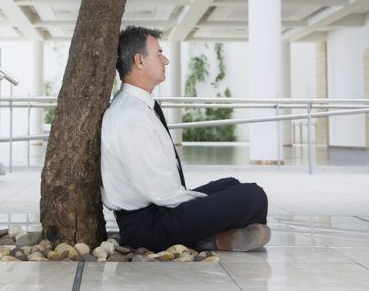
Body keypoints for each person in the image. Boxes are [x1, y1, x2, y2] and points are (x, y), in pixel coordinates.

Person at [100, 26, 270, 252]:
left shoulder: (140, 106)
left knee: (231, 185)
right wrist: (205, 206)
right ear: (139, 61)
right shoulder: (130, 117)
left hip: (159, 211)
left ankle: (213, 235)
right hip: (148, 226)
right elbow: (162, 193)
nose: (166, 60)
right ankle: (210, 239)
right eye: (159, 54)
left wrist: (209, 204)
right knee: (253, 196)